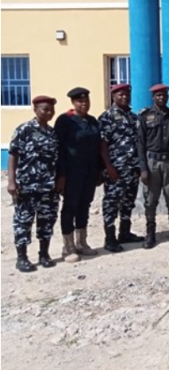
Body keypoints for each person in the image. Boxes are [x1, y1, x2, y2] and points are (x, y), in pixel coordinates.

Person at [8, 96, 61, 272]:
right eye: (45, 109)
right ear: (35, 109)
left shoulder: (52, 133)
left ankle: (44, 254)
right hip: (27, 186)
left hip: (48, 186)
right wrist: (11, 181)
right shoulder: (24, 129)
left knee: (47, 221)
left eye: (51, 109)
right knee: (23, 222)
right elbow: (13, 155)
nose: (49, 112)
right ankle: (22, 258)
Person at [55, 87, 101, 263]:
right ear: (73, 103)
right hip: (72, 172)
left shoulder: (92, 121)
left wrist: (98, 170)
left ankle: (81, 242)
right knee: (70, 207)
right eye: (80, 101)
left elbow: (97, 147)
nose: (84, 104)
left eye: (86, 101)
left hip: (89, 172)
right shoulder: (65, 121)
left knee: (84, 206)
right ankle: (68, 247)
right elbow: (58, 149)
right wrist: (61, 174)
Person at [99, 84, 143, 252]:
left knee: (128, 202)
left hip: (132, 167)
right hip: (115, 169)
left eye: (126, 94)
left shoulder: (133, 117)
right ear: (113, 96)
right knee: (111, 203)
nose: (124, 97)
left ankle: (124, 233)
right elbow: (102, 144)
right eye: (120, 95)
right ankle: (109, 238)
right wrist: (108, 166)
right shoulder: (107, 117)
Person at [138, 84, 169, 249]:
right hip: (152, 162)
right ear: (153, 97)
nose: (161, 98)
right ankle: (150, 233)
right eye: (158, 95)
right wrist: (143, 168)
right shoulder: (145, 116)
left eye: (164, 95)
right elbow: (140, 144)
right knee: (150, 199)